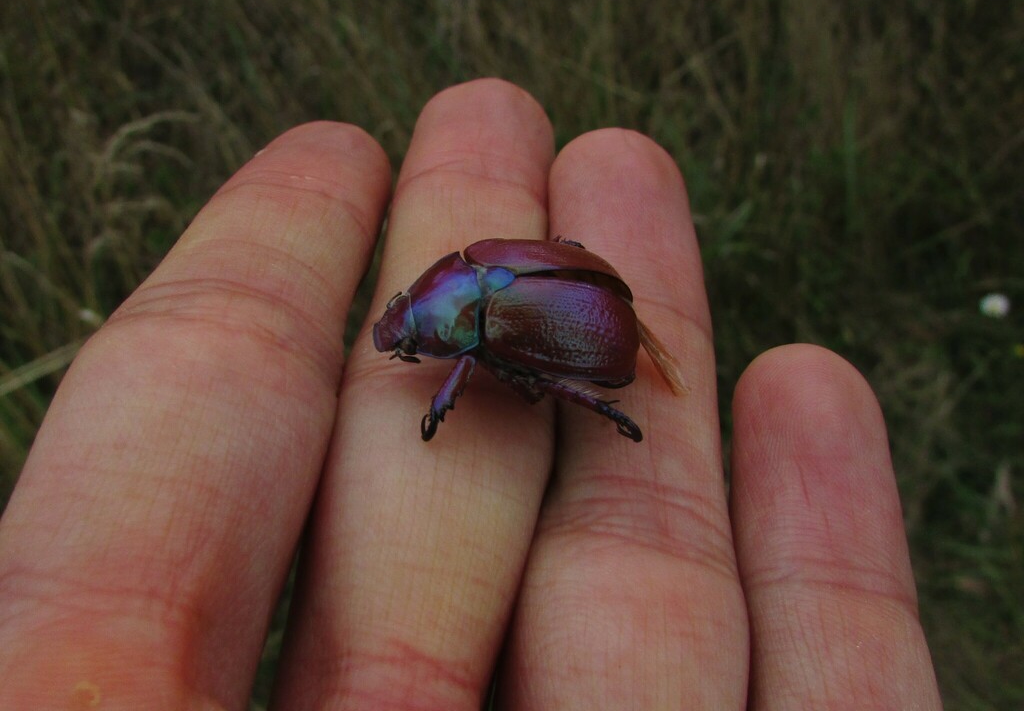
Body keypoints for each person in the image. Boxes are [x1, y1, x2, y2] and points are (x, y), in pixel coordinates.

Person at [0, 79, 942, 709]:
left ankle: (602, 410)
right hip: (574, 289)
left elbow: (475, 355)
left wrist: (461, 400)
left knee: (533, 378)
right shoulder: (470, 270)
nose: (411, 342)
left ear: (438, 311)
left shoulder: (484, 324)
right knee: (513, 372)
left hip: (591, 331)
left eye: (415, 331)